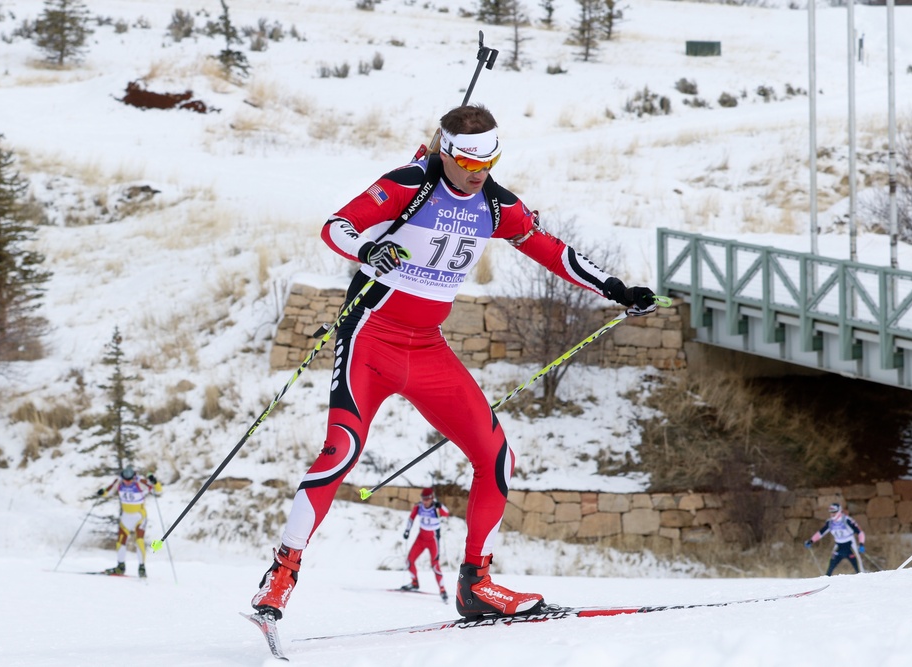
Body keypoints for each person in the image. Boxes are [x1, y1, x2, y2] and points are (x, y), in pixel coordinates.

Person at [250, 103, 658, 622]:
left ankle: (476, 585)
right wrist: (367, 252)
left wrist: (616, 289)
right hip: (370, 339)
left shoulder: (494, 205)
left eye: (486, 163)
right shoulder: (408, 184)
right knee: (342, 450)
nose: (474, 173)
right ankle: (281, 575)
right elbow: (337, 226)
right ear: (445, 150)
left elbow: (553, 251)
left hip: (426, 347)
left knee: (497, 459)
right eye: (465, 161)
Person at [96, 465, 163, 577]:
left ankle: (142, 568)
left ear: (133, 477)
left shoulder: (140, 482)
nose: (127, 482)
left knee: (139, 541)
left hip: (139, 517)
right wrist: (102, 492)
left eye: (129, 480)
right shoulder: (119, 481)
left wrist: (154, 482)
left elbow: (159, 490)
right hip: (126, 517)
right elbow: (108, 491)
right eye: (125, 480)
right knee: (120, 541)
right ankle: (120, 567)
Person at [400, 487, 451, 601]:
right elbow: (411, 518)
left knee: (435, 565)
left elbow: (446, 513)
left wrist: (440, 505)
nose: (425, 501)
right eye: (423, 499)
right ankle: (414, 583)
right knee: (409, 560)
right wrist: (407, 530)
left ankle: (442, 590)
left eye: (427, 499)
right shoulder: (419, 506)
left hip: (433, 539)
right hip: (421, 538)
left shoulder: (436, 508)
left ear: (431, 499)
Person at [805, 502, 866, 576]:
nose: (832, 514)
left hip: (850, 545)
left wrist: (861, 544)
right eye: (831, 512)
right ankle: (827, 580)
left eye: (834, 512)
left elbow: (860, 532)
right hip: (838, 546)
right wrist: (811, 541)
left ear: (839, 511)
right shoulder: (830, 522)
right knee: (830, 568)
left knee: (859, 569)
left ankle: (863, 580)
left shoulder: (847, 520)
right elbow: (821, 533)